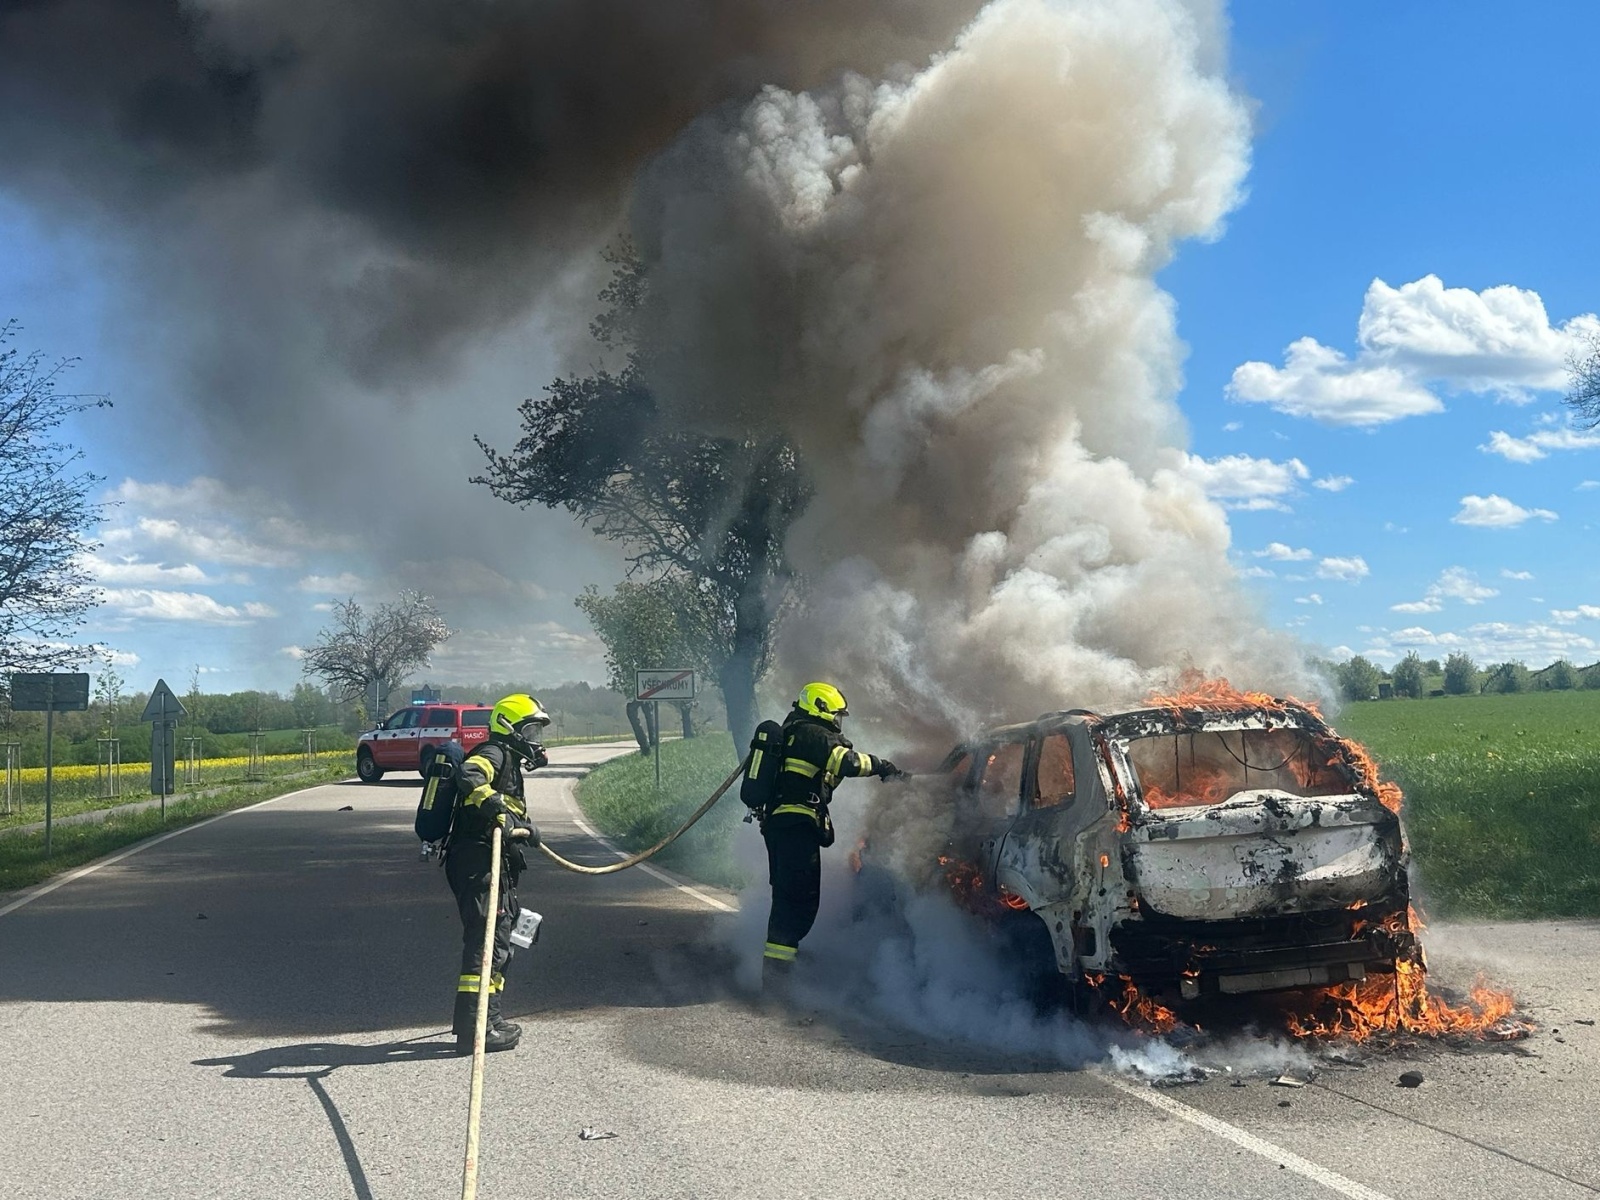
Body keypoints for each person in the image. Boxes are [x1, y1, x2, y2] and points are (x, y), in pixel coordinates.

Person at [761, 682, 899, 986]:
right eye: (837, 715)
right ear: (821, 709)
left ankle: (778, 971)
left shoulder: (793, 733)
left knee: (788, 898)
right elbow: (846, 762)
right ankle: (777, 981)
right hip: (796, 827)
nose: (839, 721)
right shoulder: (811, 733)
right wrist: (882, 766)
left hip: (783, 827)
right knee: (798, 900)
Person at [446, 693, 549, 1054]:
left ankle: (491, 1019)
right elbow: (469, 776)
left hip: (494, 863)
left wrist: (524, 827)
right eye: (531, 731)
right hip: (476, 862)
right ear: (510, 729)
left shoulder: (511, 765)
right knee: (484, 942)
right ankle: (474, 1031)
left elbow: (510, 809)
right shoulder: (494, 754)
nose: (536, 740)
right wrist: (495, 810)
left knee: (501, 941)